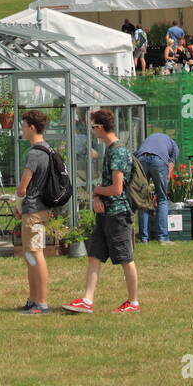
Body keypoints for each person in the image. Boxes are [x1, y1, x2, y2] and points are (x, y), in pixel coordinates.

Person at [63, 110, 140, 313]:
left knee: (125, 258)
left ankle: (133, 302)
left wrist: (96, 191)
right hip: (105, 213)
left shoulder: (117, 152)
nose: (91, 130)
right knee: (94, 255)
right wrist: (97, 197)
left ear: (100, 127)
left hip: (118, 214)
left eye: (92, 127)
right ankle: (87, 300)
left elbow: (117, 188)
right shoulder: (110, 149)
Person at [15, 110, 59, 314]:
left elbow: (23, 187)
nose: (21, 129)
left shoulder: (34, 154)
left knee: (35, 254)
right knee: (31, 255)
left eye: (23, 125)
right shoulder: (48, 150)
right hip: (43, 208)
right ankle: (33, 298)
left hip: (32, 210)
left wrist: (18, 205)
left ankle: (41, 302)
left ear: (32, 128)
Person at [136, 131, 178, 244]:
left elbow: (137, 154)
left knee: (143, 200)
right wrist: (165, 180)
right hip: (159, 161)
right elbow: (170, 166)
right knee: (162, 200)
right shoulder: (173, 145)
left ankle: (144, 238)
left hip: (141, 159)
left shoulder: (149, 139)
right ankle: (163, 238)